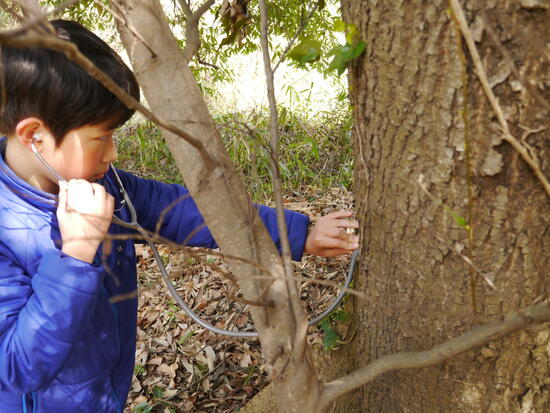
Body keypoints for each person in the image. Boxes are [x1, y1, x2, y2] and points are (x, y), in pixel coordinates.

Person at [0, 20, 358, 412]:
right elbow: (16, 366)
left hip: (105, 394)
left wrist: (298, 232)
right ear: (35, 135)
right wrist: (76, 255)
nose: (113, 153)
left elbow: (185, 212)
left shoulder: (107, 186)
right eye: (101, 137)